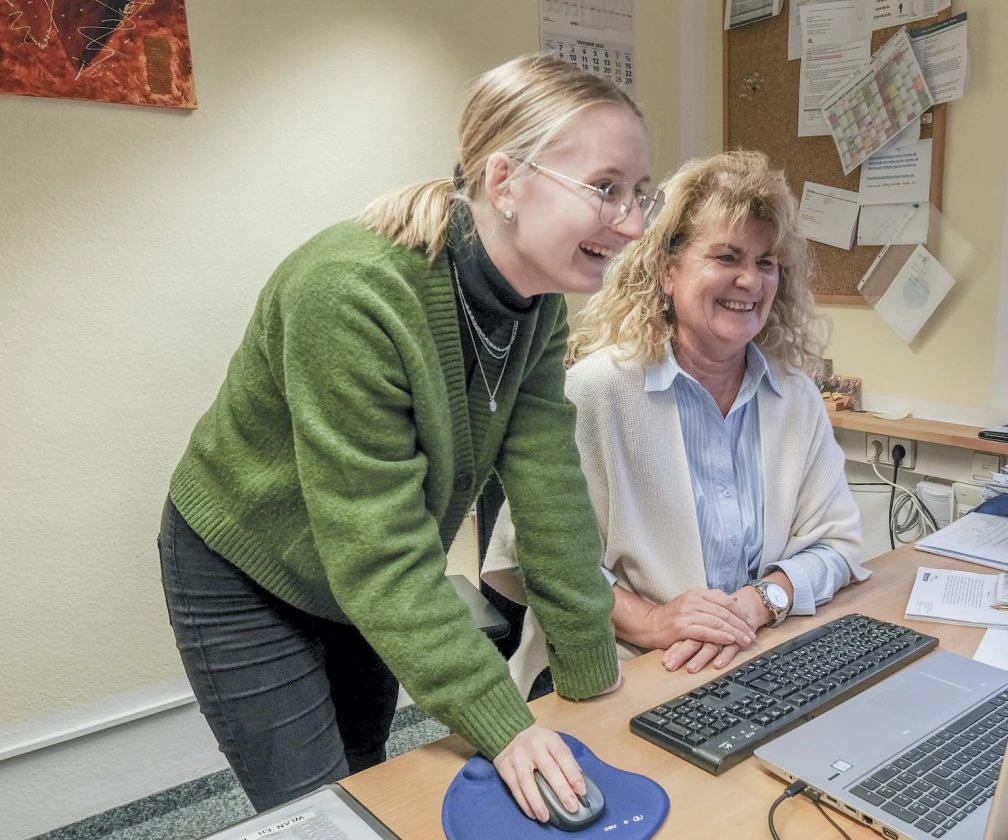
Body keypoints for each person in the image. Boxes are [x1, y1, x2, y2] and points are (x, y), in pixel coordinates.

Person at [158, 54, 662, 822]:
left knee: (370, 777)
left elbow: (550, 489)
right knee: (317, 811)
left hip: (362, 567)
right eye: (605, 189)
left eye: (638, 195)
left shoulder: (537, 301)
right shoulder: (351, 293)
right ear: (505, 181)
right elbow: (382, 554)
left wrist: (592, 685)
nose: (629, 224)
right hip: (247, 568)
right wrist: (508, 726)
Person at [483, 149, 866, 697]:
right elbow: (537, 560)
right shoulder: (595, 392)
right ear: (667, 268)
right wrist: (652, 621)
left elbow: (838, 545)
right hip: (617, 667)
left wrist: (761, 603)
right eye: (726, 257)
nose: (749, 282)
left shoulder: (797, 398)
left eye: (765, 263)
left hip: (748, 657)